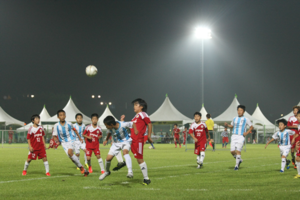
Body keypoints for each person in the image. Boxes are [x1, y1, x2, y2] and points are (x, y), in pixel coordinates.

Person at [52, 109, 89, 176]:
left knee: (70, 152)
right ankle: (83, 169)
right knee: (72, 158)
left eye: (63, 115)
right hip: (63, 143)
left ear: (65, 116)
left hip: (71, 140)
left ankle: (81, 167)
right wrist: (57, 142)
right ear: (58, 117)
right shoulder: (56, 125)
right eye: (60, 115)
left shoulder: (69, 124)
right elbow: (54, 136)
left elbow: (75, 130)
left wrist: (80, 138)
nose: (62, 116)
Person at [99, 116, 134, 180]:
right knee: (108, 159)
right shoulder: (110, 127)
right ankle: (107, 172)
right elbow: (109, 132)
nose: (106, 127)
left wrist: (137, 133)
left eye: (106, 125)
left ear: (111, 124)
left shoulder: (123, 124)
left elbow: (133, 124)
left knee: (125, 152)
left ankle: (130, 172)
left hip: (126, 141)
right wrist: (106, 139)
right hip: (116, 143)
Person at [130, 98, 153, 185]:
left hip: (138, 140)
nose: (134, 107)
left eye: (136, 105)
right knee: (136, 157)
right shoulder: (135, 117)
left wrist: (149, 136)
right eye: (134, 105)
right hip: (132, 140)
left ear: (141, 107)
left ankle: (146, 179)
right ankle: (123, 163)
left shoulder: (143, 114)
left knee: (140, 159)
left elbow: (149, 123)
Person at [224, 105, 253, 170]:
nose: (239, 112)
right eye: (238, 110)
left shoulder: (246, 119)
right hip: (234, 136)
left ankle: (236, 166)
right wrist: (227, 125)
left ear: (243, 111)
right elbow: (232, 125)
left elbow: (251, 127)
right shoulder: (234, 118)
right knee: (232, 151)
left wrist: (246, 133)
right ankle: (239, 160)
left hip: (241, 136)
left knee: (238, 151)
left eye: (241, 110)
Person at [294, 110, 300, 178]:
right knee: (297, 158)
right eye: (297, 116)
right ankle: (299, 174)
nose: (298, 117)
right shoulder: (298, 125)